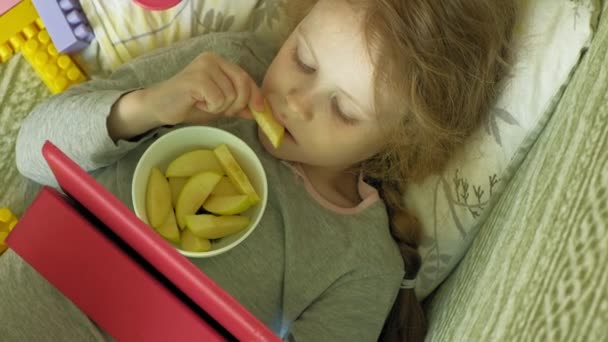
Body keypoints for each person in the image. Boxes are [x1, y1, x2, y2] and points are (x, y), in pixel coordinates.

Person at [1, 0, 516, 340]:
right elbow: (32, 150)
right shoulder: (224, 64)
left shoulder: (361, 262)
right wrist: (147, 107)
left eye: (344, 110)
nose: (294, 101)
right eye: (304, 61)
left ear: (400, 141)